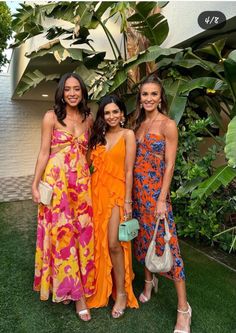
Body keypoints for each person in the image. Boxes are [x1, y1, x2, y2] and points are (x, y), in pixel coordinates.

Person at [31, 72, 95, 321]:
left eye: (76, 89)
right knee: (63, 236)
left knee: (83, 234)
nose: (72, 93)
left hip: (80, 185)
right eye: (67, 89)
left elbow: (89, 154)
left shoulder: (88, 119)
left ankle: (80, 286)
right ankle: (75, 294)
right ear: (61, 92)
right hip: (57, 185)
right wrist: (35, 185)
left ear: (82, 92)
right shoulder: (51, 117)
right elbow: (44, 152)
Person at [132, 74, 192, 333]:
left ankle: (183, 309)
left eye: (153, 94)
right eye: (145, 94)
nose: (148, 99)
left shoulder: (167, 125)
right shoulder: (137, 125)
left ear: (160, 97)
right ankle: (149, 283)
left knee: (170, 248)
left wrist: (161, 199)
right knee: (144, 240)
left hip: (157, 197)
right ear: (140, 97)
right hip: (137, 195)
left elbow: (169, 166)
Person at [87, 95, 139, 318]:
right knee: (99, 243)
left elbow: (129, 171)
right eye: (107, 113)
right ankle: (103, 287)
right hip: (97, 193)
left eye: (115, 112)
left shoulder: (128, 135)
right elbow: (88, 164)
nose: (111, 116)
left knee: (114, 243)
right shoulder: (98, 136)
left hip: (118, 195)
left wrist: (128, 201)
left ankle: (121, 293)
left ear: (122, 114)